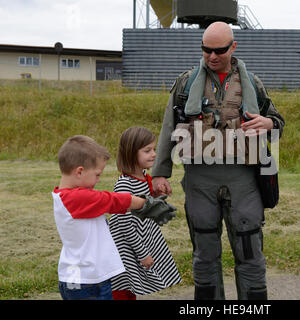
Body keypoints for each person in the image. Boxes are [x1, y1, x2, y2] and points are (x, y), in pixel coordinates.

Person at [151, 21, 285, 300]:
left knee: (250, 251)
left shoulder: (252, 84)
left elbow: (278, 122)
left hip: (244, 180)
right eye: (206, 50)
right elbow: (167, 128)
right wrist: (160, 173)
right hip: (200, 180)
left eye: (219, 50)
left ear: (233, 47)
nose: (212, 56)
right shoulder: (186, 83)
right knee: (204, 253)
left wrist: (268, 123)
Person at [52, 135, 175, 300]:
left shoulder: (71, 197)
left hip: (93, 278)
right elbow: (114, 200)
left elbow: (109, 203)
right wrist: (145, 204)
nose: (99, 179)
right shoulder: (73, 198)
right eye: (97, 174)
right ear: (79, 171)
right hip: (84, 283)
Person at [109, 127, 181, 300]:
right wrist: (143, 253)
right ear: (131, 153)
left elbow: (146, 203)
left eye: (154, 149)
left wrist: (157, 196)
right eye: (147, 150)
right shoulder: (125, 186)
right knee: (123, 286)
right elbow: (124, 224)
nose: (154, 154)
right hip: (126, 247)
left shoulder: (143, 176)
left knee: (132, 287)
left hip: (141, 238)